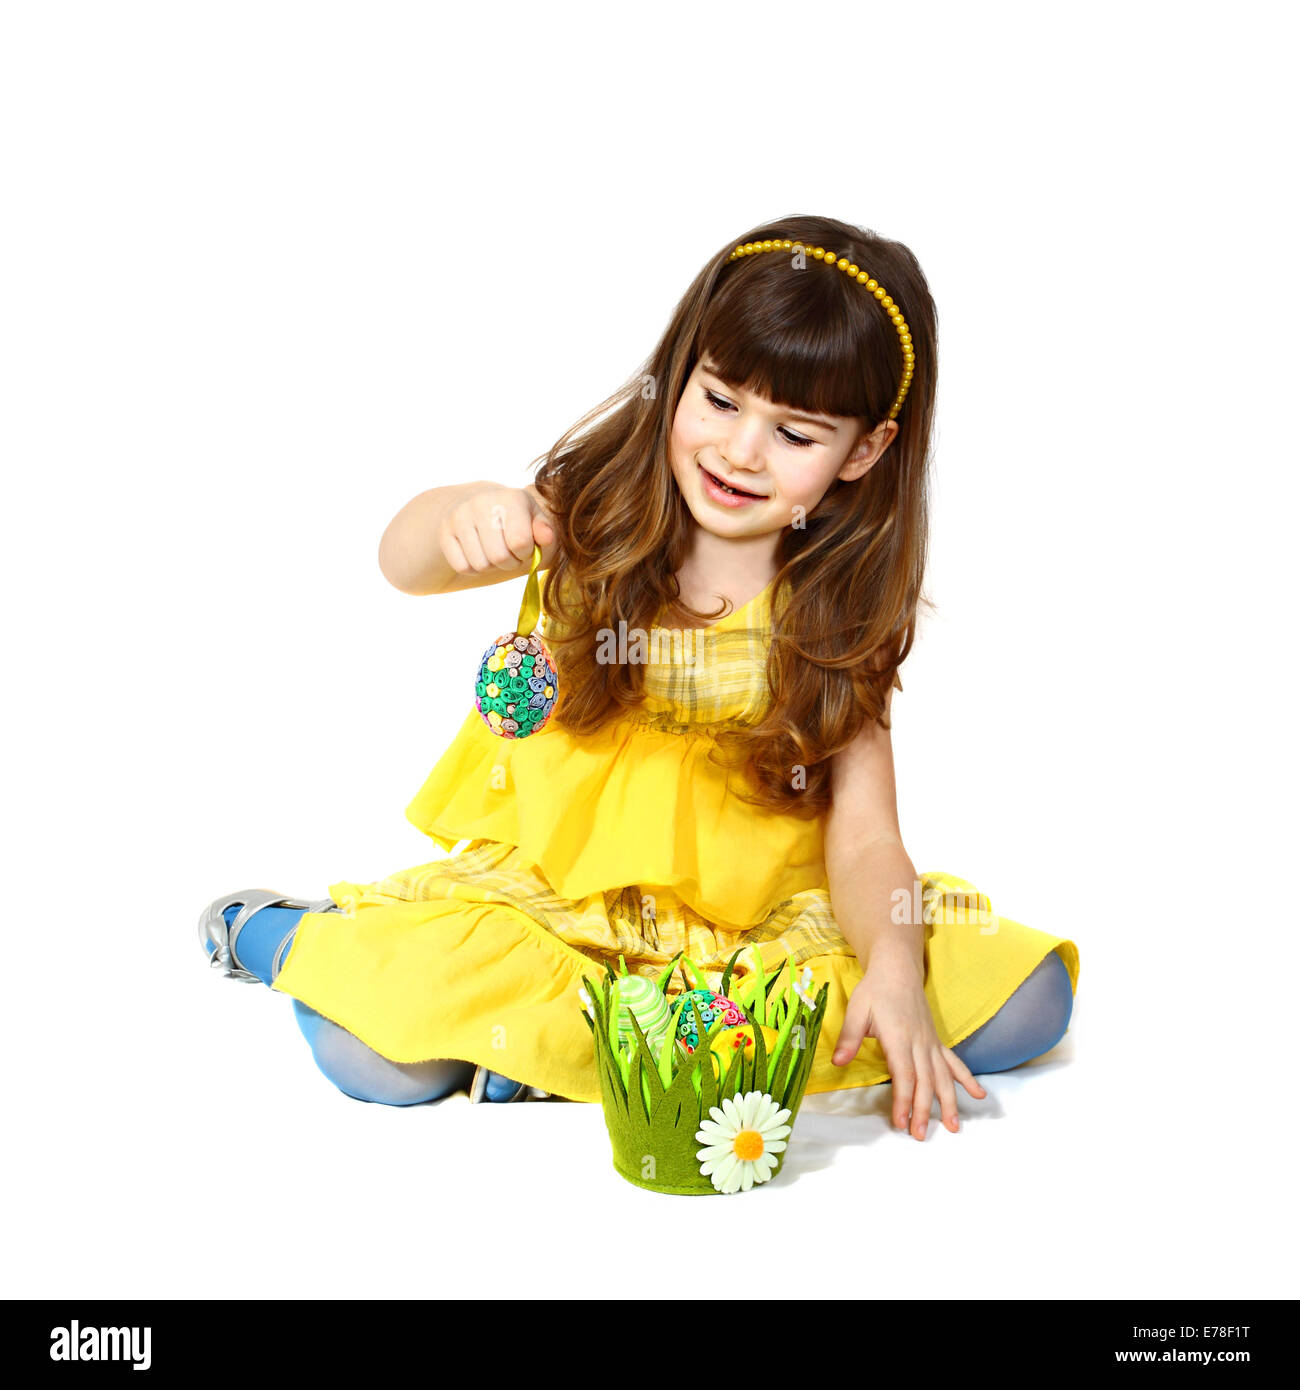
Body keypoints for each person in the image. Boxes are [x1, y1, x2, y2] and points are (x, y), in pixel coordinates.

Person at [198, 214, 1079, 1137]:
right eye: (722, 401)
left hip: (753, 933)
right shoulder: (592, 519)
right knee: (376, 1057)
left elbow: (864, 843)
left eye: (796, 433)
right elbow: (402, 562)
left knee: (1030, 998)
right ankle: (283, 935)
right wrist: (465, 512)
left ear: (862, 452)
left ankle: (563, 1061)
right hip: (559, 912)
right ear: (681, 376)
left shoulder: (838, 614)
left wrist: (894, 976)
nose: (741, 452)